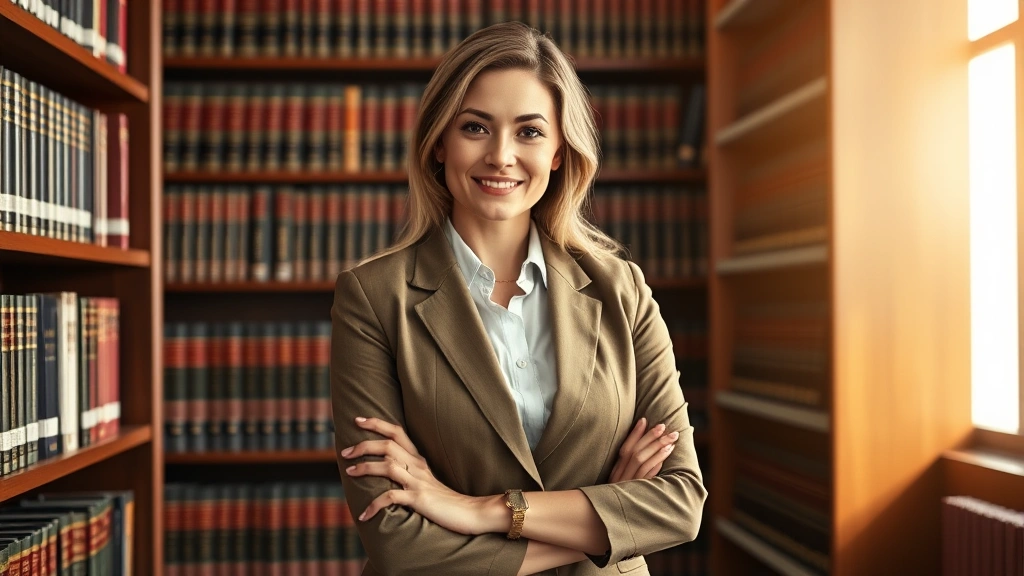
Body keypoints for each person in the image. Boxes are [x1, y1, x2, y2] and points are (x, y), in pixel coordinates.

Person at [331, 21, 706, 576]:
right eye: (476, 127)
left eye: (529, 132)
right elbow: (398, 542)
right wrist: (614, 516)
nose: (501, 155)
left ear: (559, 152)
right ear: (439, 142)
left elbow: (680, 505)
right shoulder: (373, 298)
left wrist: (478, 511)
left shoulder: (622, 289)